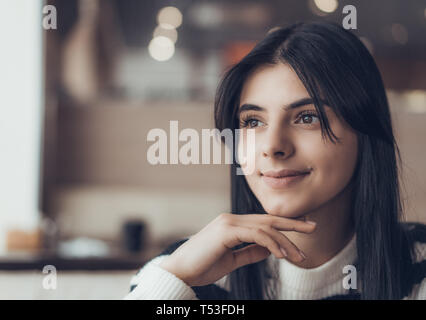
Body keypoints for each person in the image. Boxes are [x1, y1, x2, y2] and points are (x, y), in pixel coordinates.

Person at [124, 21, 426, 300]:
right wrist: (176, 280)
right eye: (253, 122)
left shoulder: (418, 268)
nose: (272, 147)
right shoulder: (182, 274)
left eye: (307, 117)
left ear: (365, 132)